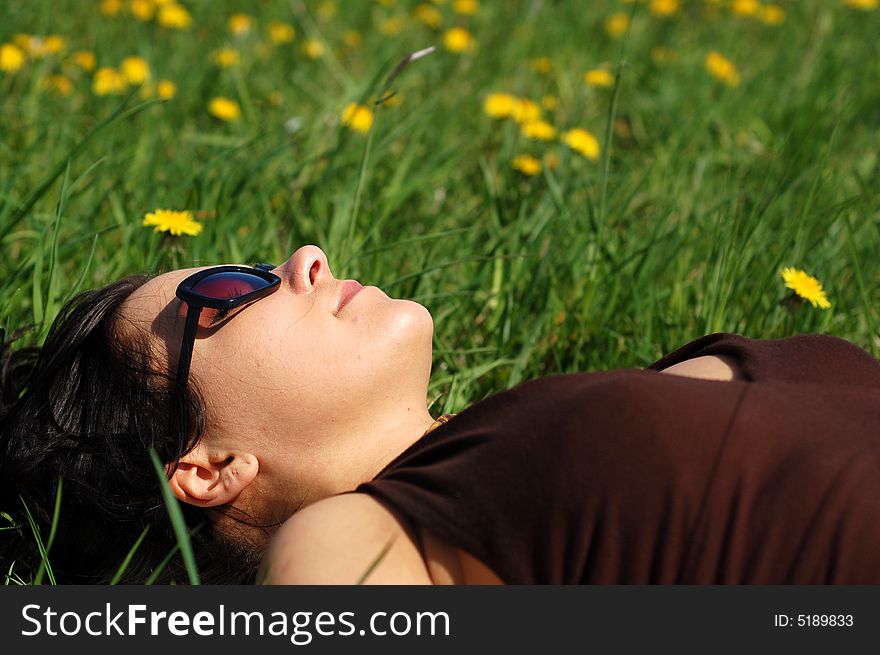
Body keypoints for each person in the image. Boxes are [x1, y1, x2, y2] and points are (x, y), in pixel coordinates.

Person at [1, 245, 879, 584]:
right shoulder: (345, 547)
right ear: (204, 465)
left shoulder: (538, 436)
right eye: (229, 292)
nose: (305, 257)